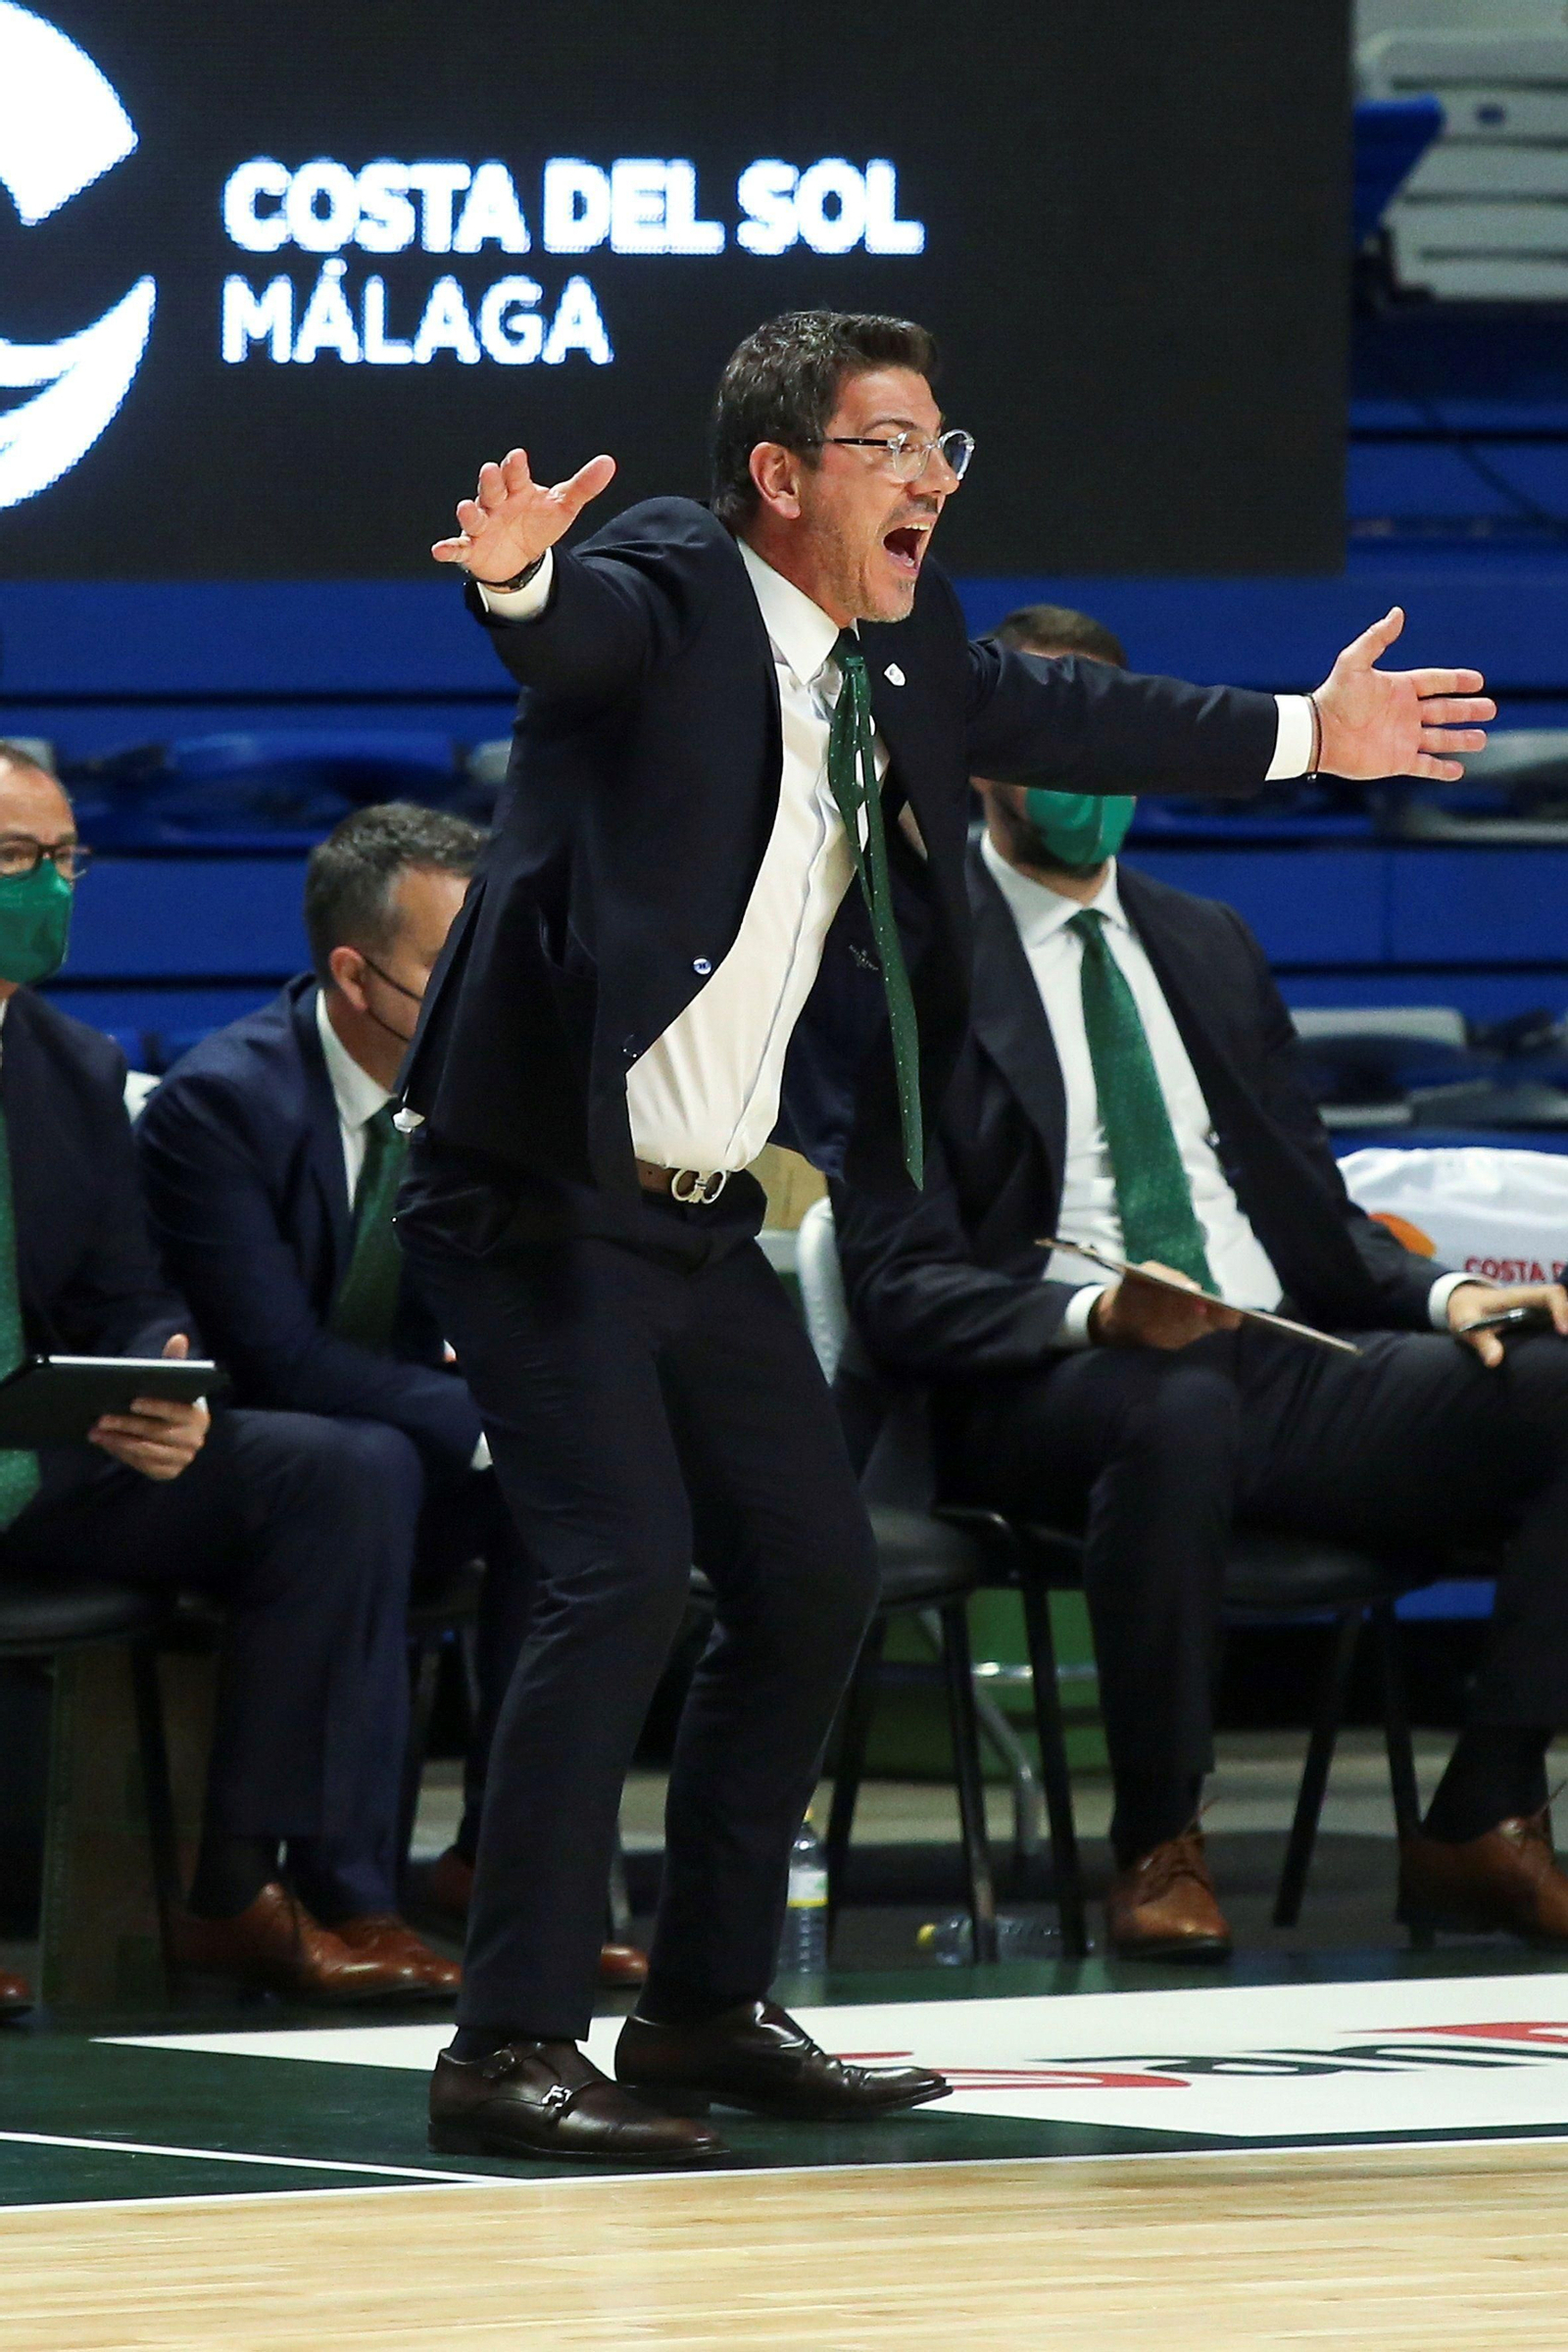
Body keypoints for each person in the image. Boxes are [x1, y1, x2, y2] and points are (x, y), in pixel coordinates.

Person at [395, 310, 1490, 2163]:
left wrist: (1318, 730)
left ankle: (701, 2010)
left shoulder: (906, 652)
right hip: (535, 1200)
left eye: (940, 446)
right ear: (781, 476)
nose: (931, 479)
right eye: (890, 446)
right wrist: (515, 587)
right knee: (618, 1575)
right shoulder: (670, 575)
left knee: (812, 1573)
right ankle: (503, 2042)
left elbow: (1085, 714)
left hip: (698, 1223)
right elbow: (581, 636)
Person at [833, 602, 1568, 1962]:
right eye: (1052, 748)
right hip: (1050, 1381)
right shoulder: (905, 976)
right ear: (983, 763)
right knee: (1171, 1402)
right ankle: (1159, 1842)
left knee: (1554, 1389)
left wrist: (1442, 1297)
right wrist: (1099, 1312)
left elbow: (1313, 1215)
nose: (1088, 783)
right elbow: (895, 1282)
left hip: (1275, 1359)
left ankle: (1484, 1815)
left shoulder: (1211, 944)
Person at [138, 803, 646, 1989]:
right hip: (256, 1456)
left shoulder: (508, 1096)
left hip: (413, 1443)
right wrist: (488, 1414)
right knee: (369, 1463)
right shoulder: (222, 1105)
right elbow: (278, 1358)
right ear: (355, 977)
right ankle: (343, 1893)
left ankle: (514, 1866)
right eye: (450, 969)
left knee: (580, 1489)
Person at [0, 746, 455, 2003]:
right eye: (14, 861)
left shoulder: (70, 1067)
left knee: (340, 1469)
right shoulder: (225, 1094)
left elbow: (125, 1290)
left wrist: (155, 1371)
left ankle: (251, 1892)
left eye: (64, 859)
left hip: (43, 1456)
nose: (50, 889)